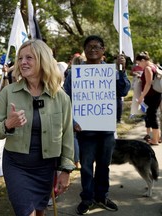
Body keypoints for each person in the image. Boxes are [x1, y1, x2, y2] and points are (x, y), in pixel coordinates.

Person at [0, 39, 75, 216]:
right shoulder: (8, 92)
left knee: (39, 211)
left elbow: (67, 135)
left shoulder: (61, 98)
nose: (23, 62)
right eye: (20, 58)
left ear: (43, 60)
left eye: (29, 57)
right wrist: (8, 124)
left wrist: (66, 169)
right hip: (16, 166)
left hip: (45, 167)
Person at [64, 35, 120, 215]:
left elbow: (124, 90)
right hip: (85, 131)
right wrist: (72, 121)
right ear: (85, 51)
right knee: (86, 168)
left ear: (103, 50)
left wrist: (122, 70)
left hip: (105, 131)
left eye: (97, 46)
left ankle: (102, 196)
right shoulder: (75, 73)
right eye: (89, 46)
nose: (93, 49)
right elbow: (66, 99)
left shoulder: (111, 72)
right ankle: (87, 199)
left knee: (104, 166)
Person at [136, 51, 162, 145]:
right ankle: (157, 138)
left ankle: (154, 140)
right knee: (154, 115)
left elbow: (148, 83)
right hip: (157, 94)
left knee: (152, 116)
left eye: (139, 63)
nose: (139, 66)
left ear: (143, 60)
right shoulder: (154, 65)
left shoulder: (147, 68)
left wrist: (141, 97)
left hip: (151, 95)